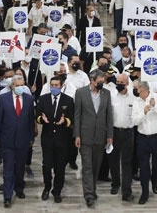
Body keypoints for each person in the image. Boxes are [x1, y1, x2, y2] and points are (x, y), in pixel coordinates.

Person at [0, 75, 35, 208]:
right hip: (7, 140)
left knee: (20, 168)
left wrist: (31, 137)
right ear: (11, 86)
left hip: (23, 140)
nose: (19, 87)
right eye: (17, 85)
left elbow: (30, 120)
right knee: (8, 169)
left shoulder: (28, 99)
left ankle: (19, 188)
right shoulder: (3, 99)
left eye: (22, 85)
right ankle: (7, 196)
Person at [74, 69, 114, 207]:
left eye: (103, 81)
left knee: (96, 165)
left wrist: (110, 136)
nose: (102, 84)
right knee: (87, 167)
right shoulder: (80, 93)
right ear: (92, 80)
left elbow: (109, 115)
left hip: (100, 136)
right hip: (85, 136)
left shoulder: (106, 93)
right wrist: (77, 134)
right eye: (99, 81)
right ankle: (89, 195)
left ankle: (93, 189)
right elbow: (77, 115)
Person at [36, 76, 74, 203]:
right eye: (52, 85)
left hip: (62, 139)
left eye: (56, 85)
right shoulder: (43, 99)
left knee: (60, 167)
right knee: (46, 165)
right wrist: (42, 120)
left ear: (61, 86)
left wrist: (65, 122)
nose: (54, 87)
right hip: (47, 138)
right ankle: (47, 187)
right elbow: (37, 116)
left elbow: (72, 119)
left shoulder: (68, 100)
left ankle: (57, 191)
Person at [131, 79, 157, 205]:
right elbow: (134, 121)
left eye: (139, 91)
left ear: (145, 91)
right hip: (143, 138)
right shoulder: (136, 102)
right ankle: (145, 192)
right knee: (144, 167)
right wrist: (144, 113)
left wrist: (155, 106)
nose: (137, 92)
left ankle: (155, 179)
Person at [107, 73, 135, 202]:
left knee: (127, 162)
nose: (119, 84)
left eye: (121, 82)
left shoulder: (133, 97)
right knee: (113, 159)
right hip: (114, 131)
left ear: (127, 83)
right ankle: (115, 184)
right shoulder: (111, 95)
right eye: (117, 81)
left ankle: (126, 190)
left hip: (128, 132)